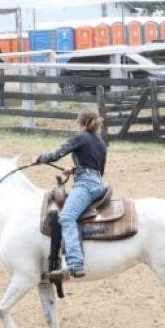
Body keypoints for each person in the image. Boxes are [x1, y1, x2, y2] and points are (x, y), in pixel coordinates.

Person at [35, 109, 108, 281]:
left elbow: (56, 155)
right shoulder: (101, 142)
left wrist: (40, 158)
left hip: (86, 185)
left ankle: (75, 263)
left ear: (81, 123)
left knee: (67, 217)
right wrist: (75, 170)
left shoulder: (80, 138)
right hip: (98, 183)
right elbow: (98, 169)